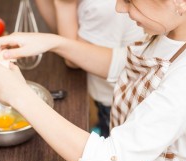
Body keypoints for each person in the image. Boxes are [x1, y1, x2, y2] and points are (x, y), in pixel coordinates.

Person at [0, 0, 186, 161]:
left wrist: (20, 95)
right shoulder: (174, 31)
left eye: (129, 1)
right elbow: (121, 63)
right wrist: (55, 42)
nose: (119, 8)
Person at [35, 0, 144, 137]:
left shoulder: (103, 6)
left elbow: (72, 58)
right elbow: (61, 34)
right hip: (107, 93)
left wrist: (64, 6)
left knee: (110, 138)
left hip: (118, 105)